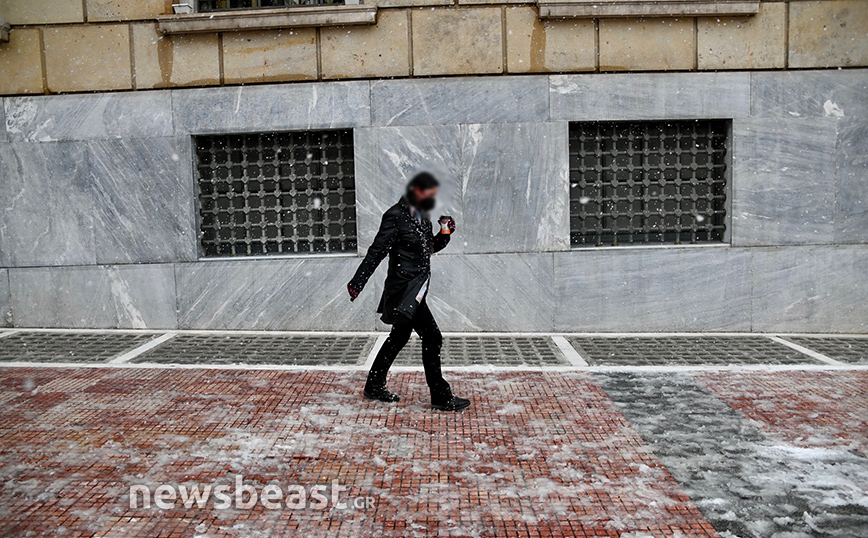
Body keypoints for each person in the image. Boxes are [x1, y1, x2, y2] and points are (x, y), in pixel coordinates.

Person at [347, 172, 471, 412]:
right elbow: (376, 252)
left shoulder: (422, 217)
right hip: (404, 290)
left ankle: (373, 384)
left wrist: (445, 233)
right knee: (433, 337)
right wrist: (358, 281)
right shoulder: (395, 217)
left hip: (417, 288)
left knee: (399, 337)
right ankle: (440, 396)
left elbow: (428, 248)